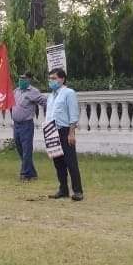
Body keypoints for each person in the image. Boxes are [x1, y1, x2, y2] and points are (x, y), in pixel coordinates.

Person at [45, 69, 84, 201]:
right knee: (58, 162)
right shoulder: (51, 96)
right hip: (52, 130)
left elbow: (73, 114)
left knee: (70, 162)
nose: (51, 81)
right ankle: (63, 189)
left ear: (62, 79)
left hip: (65, 130)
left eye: (54, 78)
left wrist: (71, 133)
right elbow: (49, 114)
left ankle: (77, 190)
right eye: (50, 78)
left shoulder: (68, 93)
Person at [11, 72, 44, 181]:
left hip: (26, 125)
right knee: (20, 148)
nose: (21, 80)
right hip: (16, 124)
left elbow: (45, 101)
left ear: (29, 80)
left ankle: (25, 174)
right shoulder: (16, 91)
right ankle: (32, 173)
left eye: (24, 79)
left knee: (26, 150)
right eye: (20, 78)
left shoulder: (33, 92)